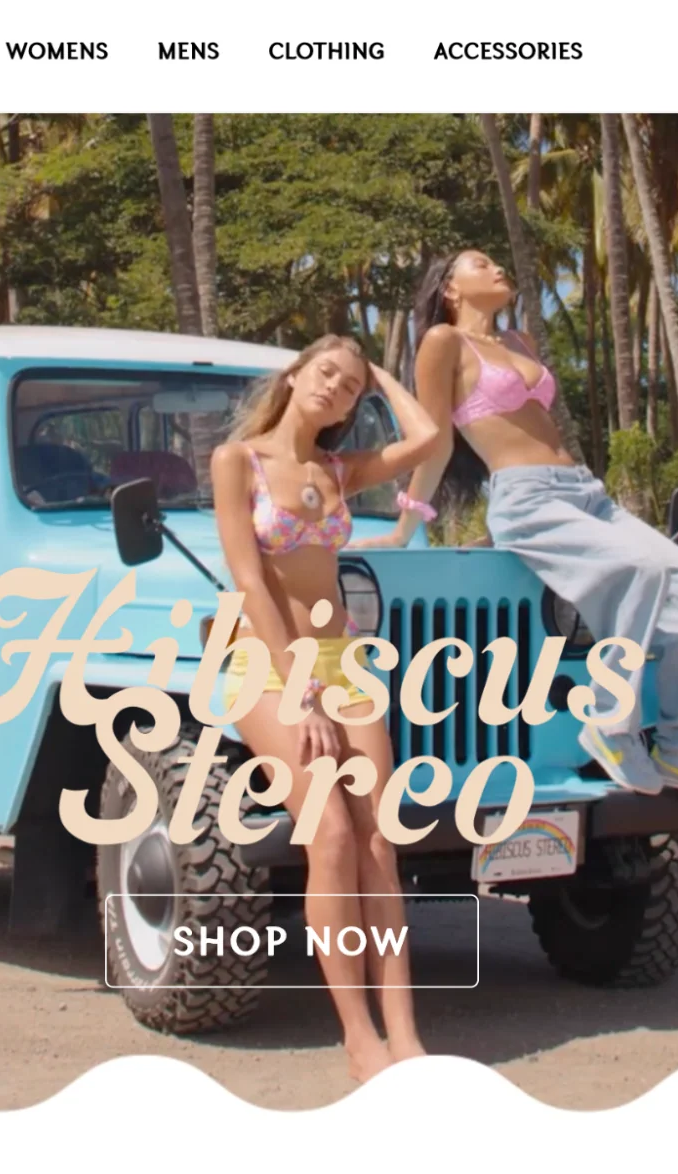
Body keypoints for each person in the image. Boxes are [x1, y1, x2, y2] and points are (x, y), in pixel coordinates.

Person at [366, 250, 678, 803]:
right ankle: (611, 724)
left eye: (499, 261)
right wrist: (406, 526)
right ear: (450, 289)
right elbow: (437, 441)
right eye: (480, 263)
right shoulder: (443, 343)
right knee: (637, 571)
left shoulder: (519, 343)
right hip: (527, 499)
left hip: (585, 493)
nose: (498, 268)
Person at [207, 335, 441, 1083]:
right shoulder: (236, 461)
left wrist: (380, 378)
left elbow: (429, 437)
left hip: (340, 659)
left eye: (348, 387)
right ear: (293, 373)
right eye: (325, 374)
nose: (334, 390)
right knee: (331, 835)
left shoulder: (339, 469)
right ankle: (358, 1037)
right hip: (265, 662)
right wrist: (300, 689)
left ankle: (404, 1033)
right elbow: (249, 579)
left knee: (379, 839)